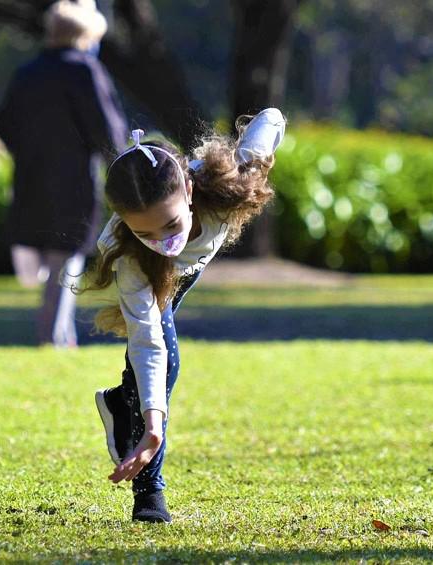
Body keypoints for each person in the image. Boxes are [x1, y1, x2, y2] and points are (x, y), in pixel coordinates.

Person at [83, 109, 287, 522]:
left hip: (186, 275)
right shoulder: (134, 258)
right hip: (157, 282)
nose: (163, 242)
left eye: (171, 224)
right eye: (146, 232)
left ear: (190, 190)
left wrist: (262, 153)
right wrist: (153, 425)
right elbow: (146, 343)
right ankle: (148, 496)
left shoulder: (225, 184)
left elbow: (271, 117)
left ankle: (122, 405)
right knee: (165, 365)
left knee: (148, 383)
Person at [0, 0, 127, 348]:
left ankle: (61, 337)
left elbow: (4, 123)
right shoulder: (85, 70)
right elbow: (109, 133)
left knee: (51, 265)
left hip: (30, 180)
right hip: (74, 183)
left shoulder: (27, 72)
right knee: (64, 263)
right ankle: (53, 339)